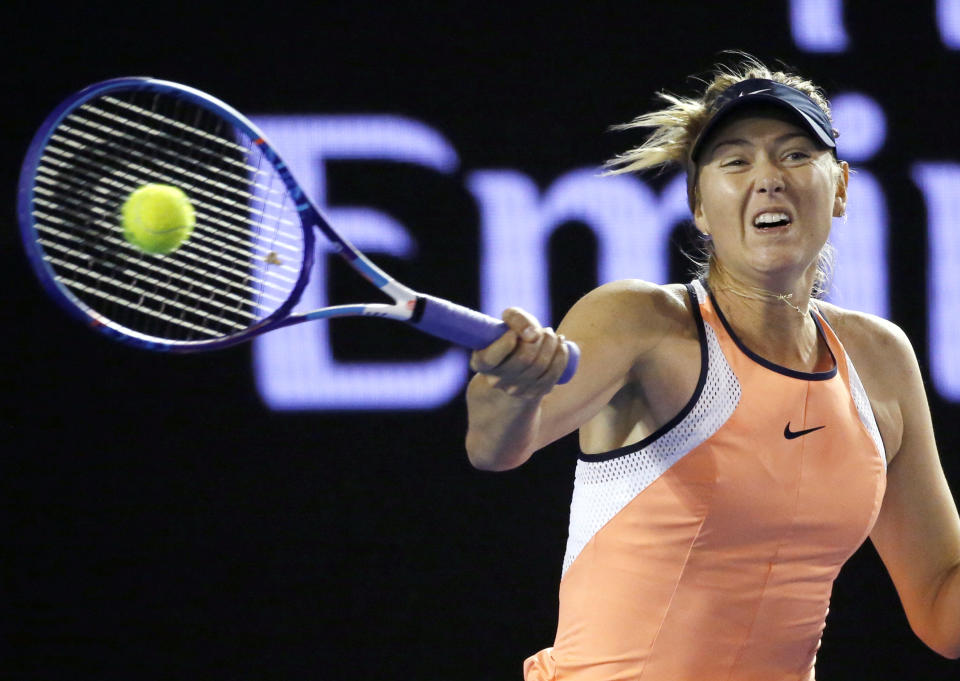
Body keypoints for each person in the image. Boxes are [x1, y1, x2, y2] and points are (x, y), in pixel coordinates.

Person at [464, 56, 960, 681]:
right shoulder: (638, 321)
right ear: (700, 206)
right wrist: (508, 389)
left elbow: (944, 611)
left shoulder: (880, 360)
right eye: (734, 160)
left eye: (796, 154)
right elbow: (494, 447)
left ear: (839, 188)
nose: (768, 178)